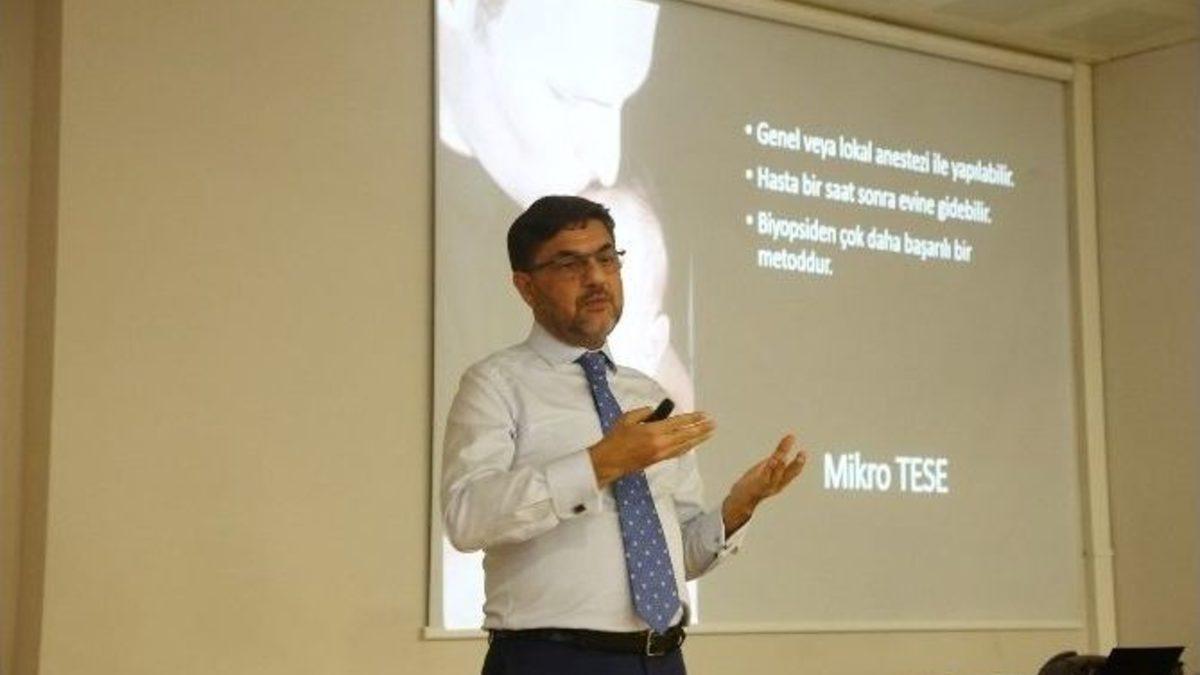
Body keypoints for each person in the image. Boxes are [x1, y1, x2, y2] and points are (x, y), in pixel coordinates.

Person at [441, 195, 806, 674]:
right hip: (551, 659)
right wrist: (599, 464)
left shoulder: (647, 393)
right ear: (526, 286)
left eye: (606, 258)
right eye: (570, 263)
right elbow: (466, 518)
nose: (595, 277)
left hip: (663, 658)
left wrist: (739, 507)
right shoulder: (495, 384)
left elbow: (681, 559)